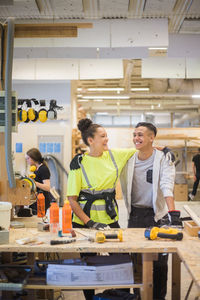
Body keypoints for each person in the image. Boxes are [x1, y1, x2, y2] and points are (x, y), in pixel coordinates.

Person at [67, 118, 137, 300]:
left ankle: (124, 297)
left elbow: (142, 150)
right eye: (103, 136)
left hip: (110, 220)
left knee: (122, 261)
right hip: (85, 224)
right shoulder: (79, 163)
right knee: (87, 265)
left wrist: (163, 150)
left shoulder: (115, 155)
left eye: (106, 135)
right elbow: (72, 200)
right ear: (91, 140)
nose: (107, 139)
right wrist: (89, 222)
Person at [120, 122, 182, 300]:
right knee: (136, 259)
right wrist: (83, 157)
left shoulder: (164, 158)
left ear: (151, 137)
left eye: (140, 135)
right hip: (135, 216)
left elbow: (167, 185)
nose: (136, 138)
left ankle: (158, 297)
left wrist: (173, 214)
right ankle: (139, 296)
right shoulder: (128, 158)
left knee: (160, 263)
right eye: (134, 134)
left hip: (158, 216)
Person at [25, 148, 51, 215]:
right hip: (37, 199)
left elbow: (47, 187)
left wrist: (33, 182)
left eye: (28, 158)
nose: (26, 160)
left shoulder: (43, 169)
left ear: (33, 158)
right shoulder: (36, 169)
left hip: (42, 200)